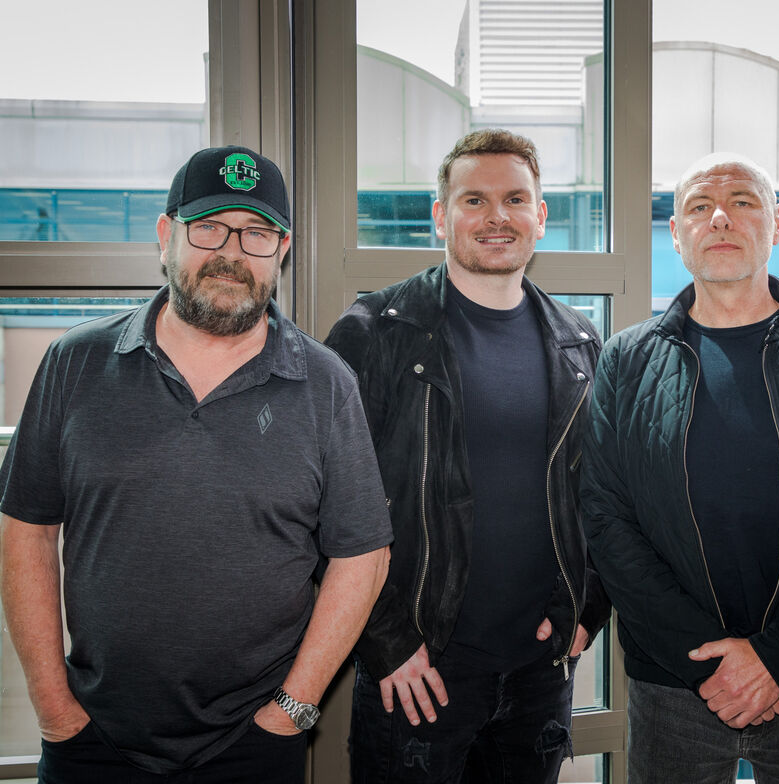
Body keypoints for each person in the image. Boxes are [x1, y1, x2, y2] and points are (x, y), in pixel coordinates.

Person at [0, 145, 394, 783]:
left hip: (253, 746)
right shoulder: (74, 364)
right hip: (90, 739)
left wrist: (291, 713)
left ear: (282, 249)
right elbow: (28, 531)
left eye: (257, 233)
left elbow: (363, 555)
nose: (231, 252)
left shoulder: (326, 385)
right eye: (209, 227)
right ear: (166, 235)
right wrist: (54, 710)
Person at [324, 128, 609, 784]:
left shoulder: (580, 342)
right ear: (440, 216)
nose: (496, 217)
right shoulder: (373, 334)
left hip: (539, 679)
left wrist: (588, 608)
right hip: (418, 678)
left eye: (514, 199)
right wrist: (388, 646)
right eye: (473, 200)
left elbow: (603, 495)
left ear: (540, 217)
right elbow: (328, 504)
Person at [581, 152, 779, 783]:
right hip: (674, 686)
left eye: (743, 201)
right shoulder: (627, 359)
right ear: (676, 234)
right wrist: (713, 665)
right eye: (699, 207)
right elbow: (606, 519)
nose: (721, 218)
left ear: (778, 222)